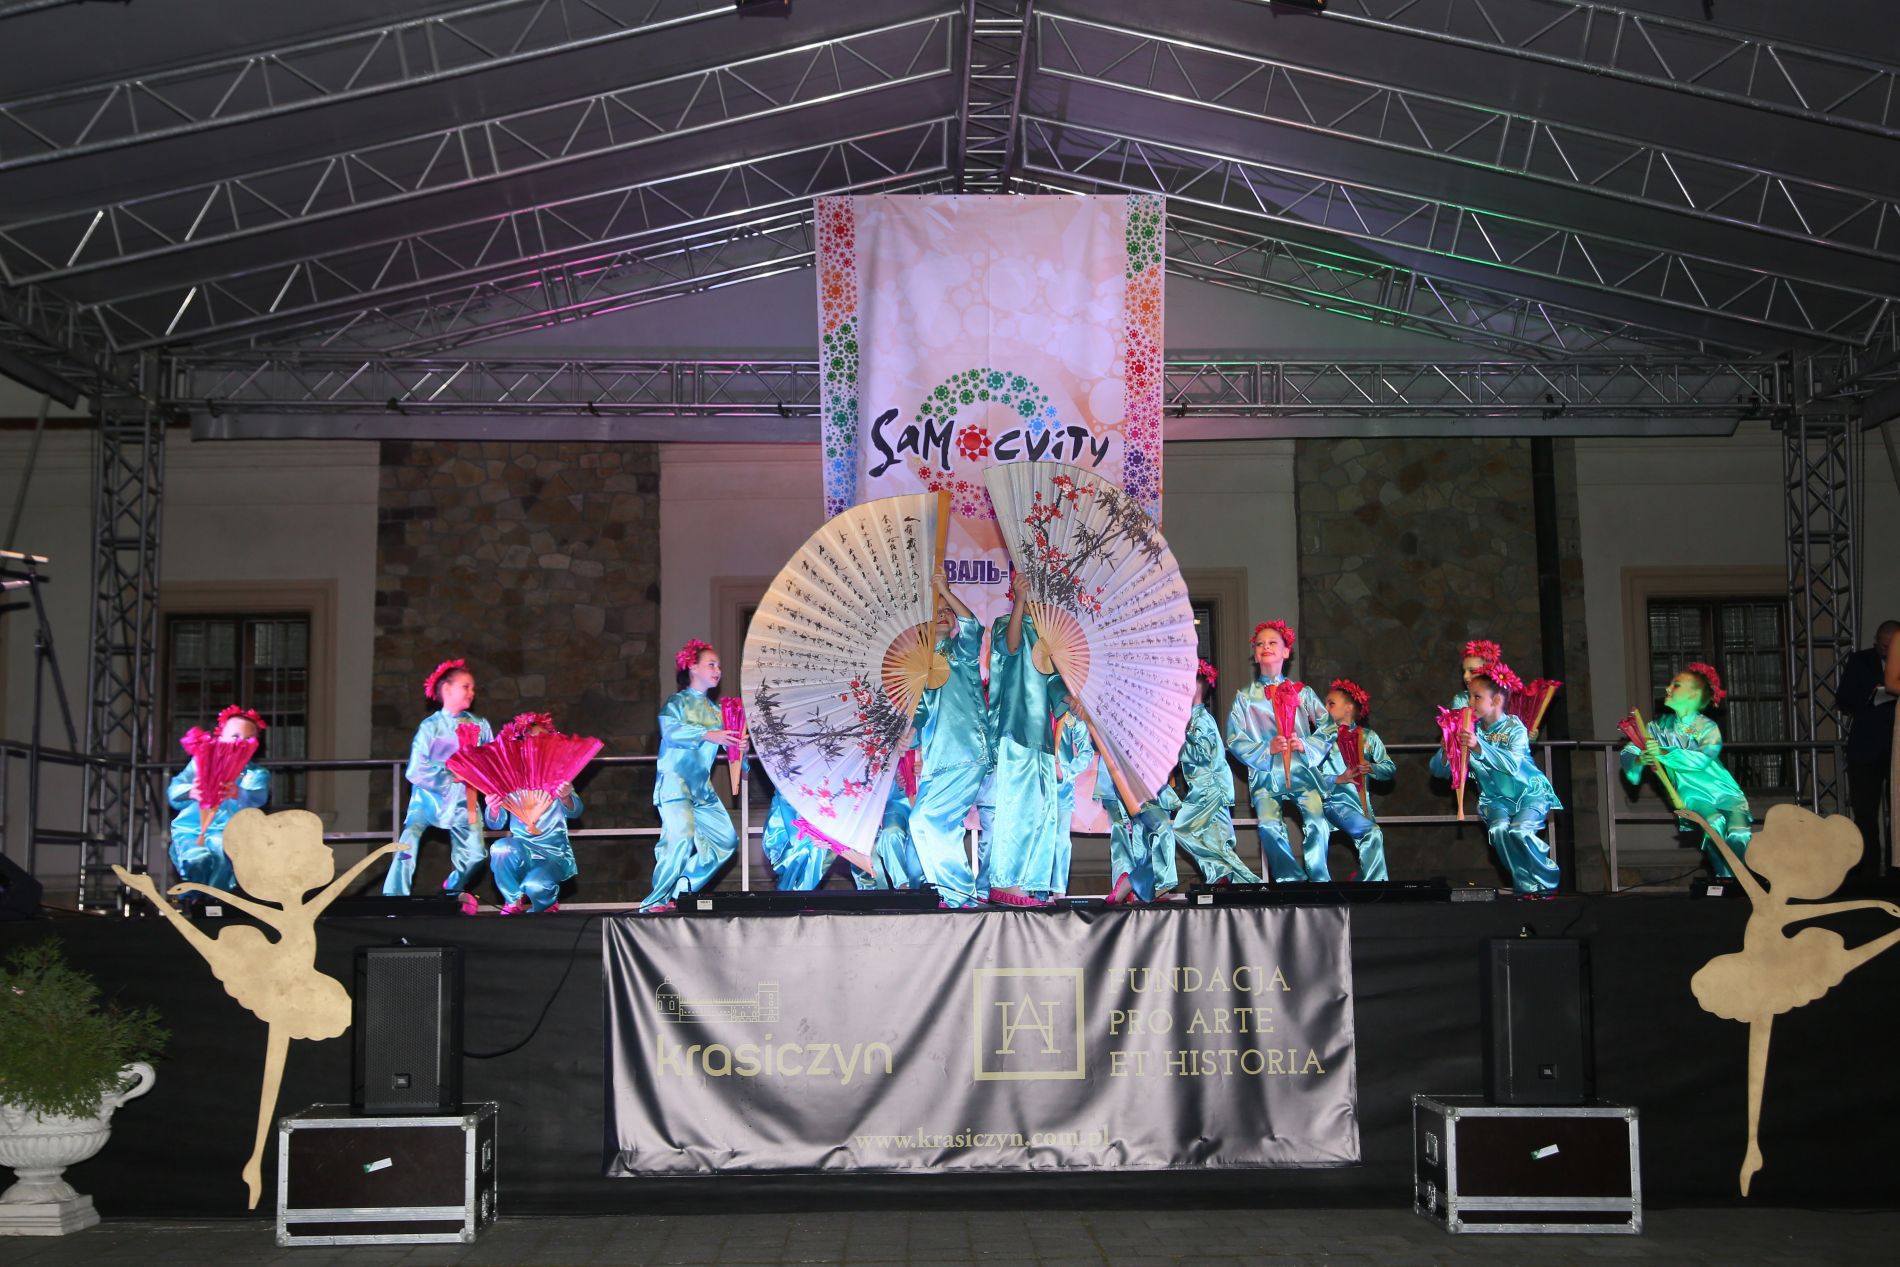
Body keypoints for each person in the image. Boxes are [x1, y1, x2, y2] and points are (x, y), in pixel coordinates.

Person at [984, 571, 1074, 905]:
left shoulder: (1049, 636)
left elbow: (1054, 685)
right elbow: (1011, 647)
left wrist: (1072, 700)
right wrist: (1020, 602)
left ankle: (1030, 881)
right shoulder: (1005, 624)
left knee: (1043, 810)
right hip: (1015, 728)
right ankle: (1006, 881)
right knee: (1017, 809)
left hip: (1042, 737)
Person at [1433, 661, 1561, 894]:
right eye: (1470, 697)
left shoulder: (1515, 728)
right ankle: (1527, 889)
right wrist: (1446, 749)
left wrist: (1478, 746)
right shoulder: (1470, 729)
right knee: (1499, 830)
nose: (1470, 703)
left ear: (1496, 701)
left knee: (1520, 831)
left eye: (1477, 697)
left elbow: (1511, 764)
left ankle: (1547, 881)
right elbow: (1439, 772)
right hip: (1495, 800)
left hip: (1530, 794)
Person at [1620, 662, 1752, 879]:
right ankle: (1726, 878)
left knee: (1740, 833)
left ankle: (1739, 880)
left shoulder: (1708, 727)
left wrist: (1663, 752)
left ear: (1693, 695)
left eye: (1676, 685)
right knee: (1713, 824)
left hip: (1725, 790)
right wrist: (1639, 759)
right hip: (1692, 794)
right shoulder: (1657, 727)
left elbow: (1702, 759)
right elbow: (1629, 752)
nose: (1668, 688)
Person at [908, 575, 994, 907]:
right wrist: (907, 738)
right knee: (919, 822)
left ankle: (963, 899)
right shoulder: (920, 667)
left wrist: (944, 590)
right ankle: (947, 894)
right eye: (936, 610)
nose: (943, 614)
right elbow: (920, 714)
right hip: (937, 760)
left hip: (966, 754)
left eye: (947, 610)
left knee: (935, 821)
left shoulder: (961, 651)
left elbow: (973, 626)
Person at [384, 658, 493, 910]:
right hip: (428, 798)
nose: (471, 692)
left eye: (472, 688)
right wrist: (450, 775)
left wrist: (488, 786)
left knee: (477, 854)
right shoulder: (430, 726)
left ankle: (453, 888)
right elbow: (415, 769)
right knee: (409, 840)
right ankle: (394, 897)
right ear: (447, 689)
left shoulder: (480, 725)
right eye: (466, 686)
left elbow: (491, 761)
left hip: (464, 799)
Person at [641, 640, 741, 912]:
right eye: (711, 664)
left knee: (726, 841)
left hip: (701, 789)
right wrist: (708, 734)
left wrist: (738, 748)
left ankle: (681, 889)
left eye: (719, 666)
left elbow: (731, 751)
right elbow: (670, 732)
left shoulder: (716, 711)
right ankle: (655, 901)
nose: (718, 670)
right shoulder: (677, 702)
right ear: (693, 667)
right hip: (675, 784)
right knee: (680, 839)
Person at [1226, 620, 1329, 882]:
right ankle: (1291, 881)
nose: (1266, 647)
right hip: (1266, 776)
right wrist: (1266, 748)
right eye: (1260, 644)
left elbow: (1328, 726)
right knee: (1269, 827)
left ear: (1286, 651)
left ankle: (1320, 881)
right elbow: (1234, 739)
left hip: (1302, 773)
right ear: (1255, 655)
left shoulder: (1303, 693)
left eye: (1272, 642)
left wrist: (1306, 745)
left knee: (1317, 821)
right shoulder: (1245, 697)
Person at [481, 712, 581, 915]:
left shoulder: (559, 774)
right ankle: (513, 900)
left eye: (543, 739)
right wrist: (493, 807)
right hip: (522, 848)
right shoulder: (511, 777)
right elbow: (495, 824)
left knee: (536, 886)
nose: (537, 744)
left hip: (553, 854)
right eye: (531, 740)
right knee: (501, 848)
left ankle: (545, 902)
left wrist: (566, 797)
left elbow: (575, 811)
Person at [167, 705, 272, 895]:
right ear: (220, 737)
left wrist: (239, 793)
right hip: (191, 829)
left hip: (230, 832)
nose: (240, 743)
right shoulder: (199, 763)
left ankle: (216, 900)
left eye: (247, 739)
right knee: (196, 860)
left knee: (222, 857)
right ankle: (194, 899)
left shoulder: (254, 773)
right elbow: (175, 790)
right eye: (235, 736)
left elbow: (258, 797)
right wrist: (190, 791)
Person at [1172, 661, 1258, 887]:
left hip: (1210, 788)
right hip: (1203, 788)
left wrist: (1179, 739)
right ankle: (1224, 877)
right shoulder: (1192, 720)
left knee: (1185, 829)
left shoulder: (1202, 719)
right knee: (1212, 840)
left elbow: (1201, 754)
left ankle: (1245, 882)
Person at [1314, 679, 1396, 882]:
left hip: (1362, 806)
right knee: (1372, 834)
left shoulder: (1369, 737)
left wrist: (1373, 768)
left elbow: (1390, 768)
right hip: (1333, 802)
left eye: (1331, 703)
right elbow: (1308, 775)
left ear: (1348, 708)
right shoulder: (1320, 738)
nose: (1325, 708)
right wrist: (1337, 778)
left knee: (1371, 845)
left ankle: (1359, 882)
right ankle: (1377, 889)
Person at [1838, 620, 1897, 874]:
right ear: (1876, 642)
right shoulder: (1860, 661)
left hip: (1896, 747)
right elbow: (1843, 699)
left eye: (1892, 647)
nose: (1887, 651)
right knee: (1864, 811)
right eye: (1883, 646)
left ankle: (1895, 868)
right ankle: (1868, 870)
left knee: (1898, 814)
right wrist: (1872, 695)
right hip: (1866, 748)